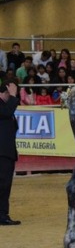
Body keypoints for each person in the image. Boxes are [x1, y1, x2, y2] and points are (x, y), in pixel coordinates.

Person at [0, 79, 21, 225]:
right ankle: (2, 215)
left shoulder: (5, 106)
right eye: (10, 93)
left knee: (5, 184)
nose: (13, 96)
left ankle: (2, 214)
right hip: (2, 153)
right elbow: (7, 113)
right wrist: (13, 97)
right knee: (3, 184)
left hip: (6, 152)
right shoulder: (4, 107)